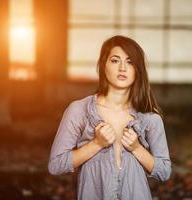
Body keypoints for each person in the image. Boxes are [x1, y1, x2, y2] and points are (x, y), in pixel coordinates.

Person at [48, 35, 172, 200]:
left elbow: (164, 171)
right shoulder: (79, 110)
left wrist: (137, 148)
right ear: (103, 65)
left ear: (138, 69)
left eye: (130, 62)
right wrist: (96, 144)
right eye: (115, 60)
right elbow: (56, 165)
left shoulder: (149, 117)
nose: (122, 68)